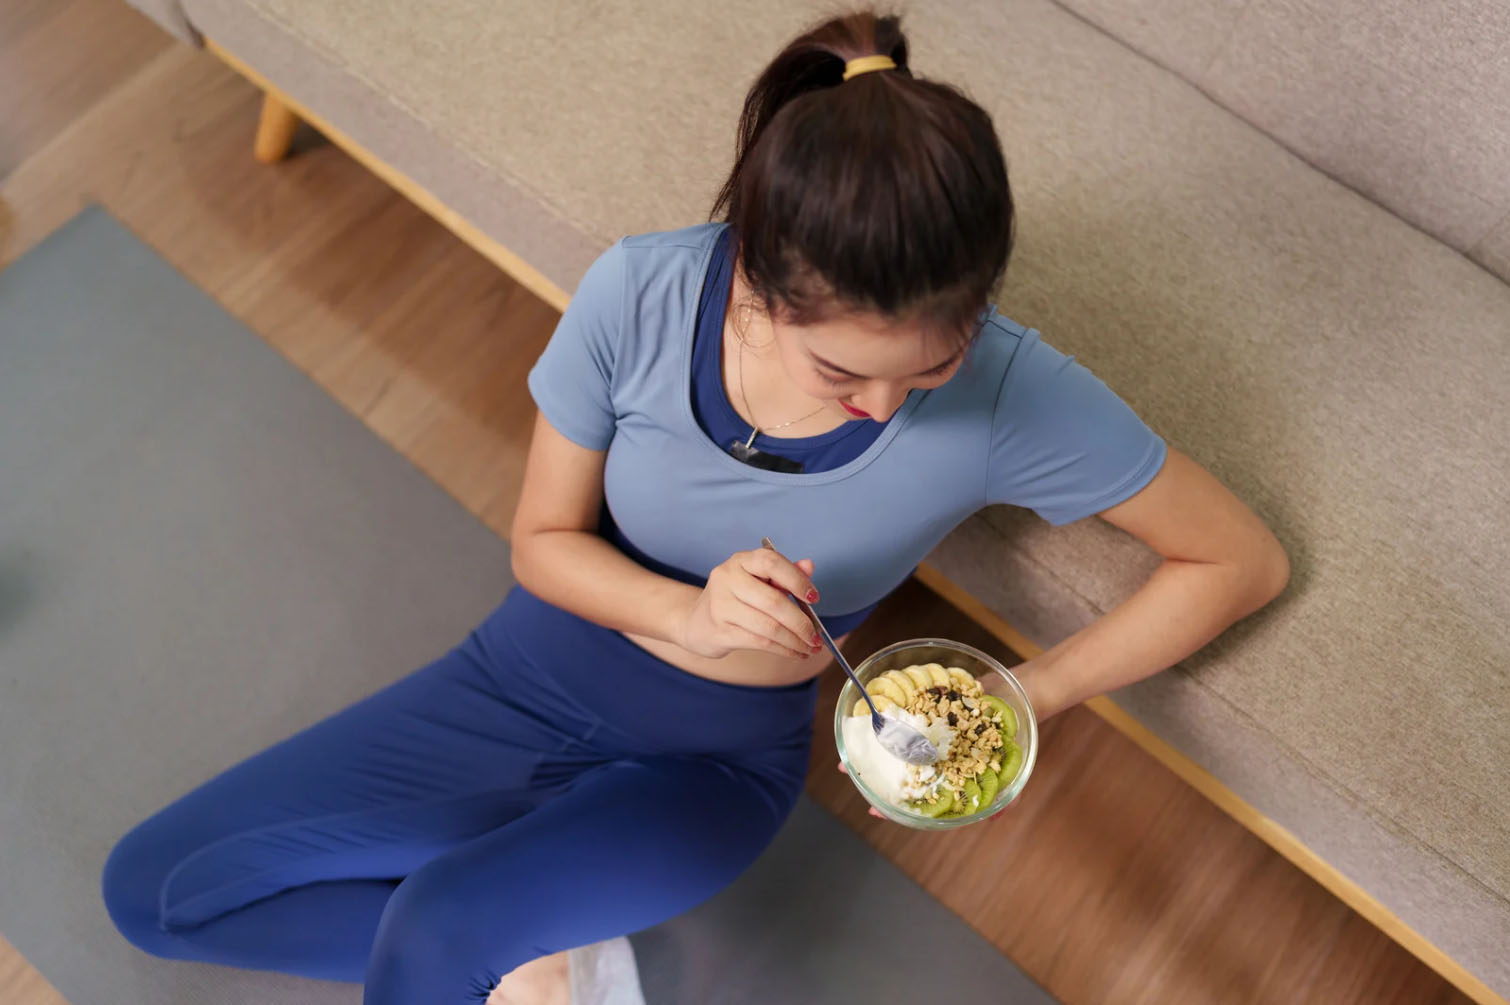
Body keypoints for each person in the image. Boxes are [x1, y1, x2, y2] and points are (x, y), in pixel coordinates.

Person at [101, 10, 1288, 1004]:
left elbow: (1237, 561)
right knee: (155, 892)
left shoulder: (1009, 390)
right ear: (760, 291)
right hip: (522, 677)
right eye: (845, 375)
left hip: (710, 767)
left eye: (927, 368)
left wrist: (1019, 696)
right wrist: (683, 613)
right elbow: (542, 547)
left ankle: (515, 927)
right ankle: (542, 955)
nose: (884, 409)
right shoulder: (641, 292)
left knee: (437, 926)